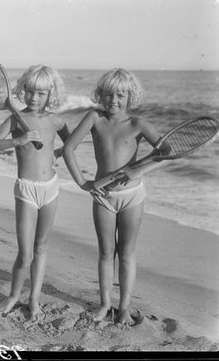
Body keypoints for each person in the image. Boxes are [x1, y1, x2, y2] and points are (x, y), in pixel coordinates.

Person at [63, 68, 164, 325]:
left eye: (120, 94)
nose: (113, 100)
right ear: (100, 95)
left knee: (127, 252)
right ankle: (105, 304)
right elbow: (68, 149)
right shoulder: (94, 118)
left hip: (132, 196)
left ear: (131, 96)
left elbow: (168, 152)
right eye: (108, 94)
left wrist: (138, 170)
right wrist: (83, 183)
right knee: (106, 252)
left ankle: (124, 308)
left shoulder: (137, 124)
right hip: (103, 197)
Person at [0, 65, 69, 319]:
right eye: (29, 91)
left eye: (41, 93)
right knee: (26, 252)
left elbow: (70, 142)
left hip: (51, 188)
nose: (33, 98)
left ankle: (34, 300)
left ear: (51, 94)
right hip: (26, 190)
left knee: (41, 247)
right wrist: (17, 140)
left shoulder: (55, 120)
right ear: (22, 90)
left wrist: (60, 154)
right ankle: (13, 296)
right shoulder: (14, 119)